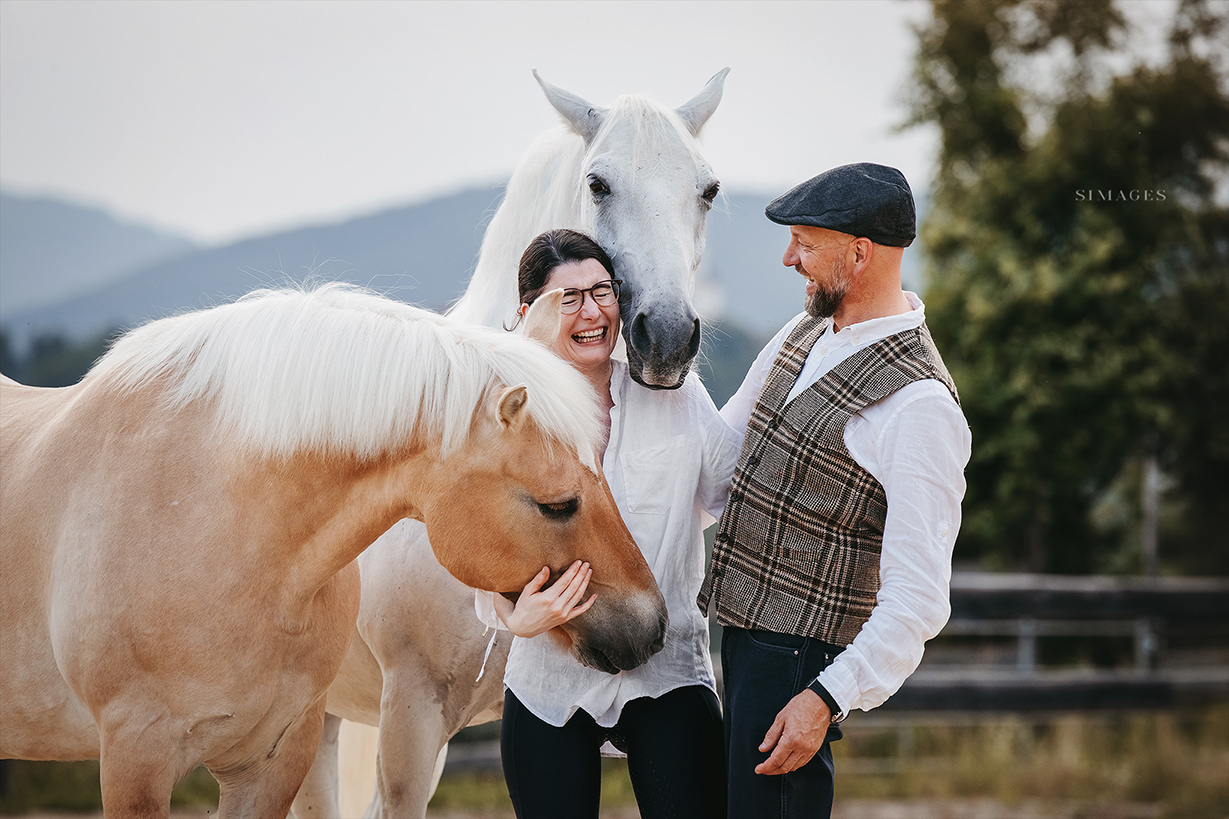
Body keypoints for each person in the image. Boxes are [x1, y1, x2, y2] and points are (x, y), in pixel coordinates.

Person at [697, 163, 972, 818]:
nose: (788, 258)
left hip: (800, 664)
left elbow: (917, 600)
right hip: (740, 640)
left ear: (859, 252)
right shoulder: (802, 334)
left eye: (803, 241)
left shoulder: (918, 404)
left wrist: (824, 698)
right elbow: (717, 467)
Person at [476, 228, 740, 819]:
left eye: (602, 291)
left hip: (668, 667)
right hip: (550, 675)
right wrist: (517, 615)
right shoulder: (511, 419)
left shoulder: (677, 395)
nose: (592, 311)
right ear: (528, 315)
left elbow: (735, 489)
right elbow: (480, 538)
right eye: (569, 298)